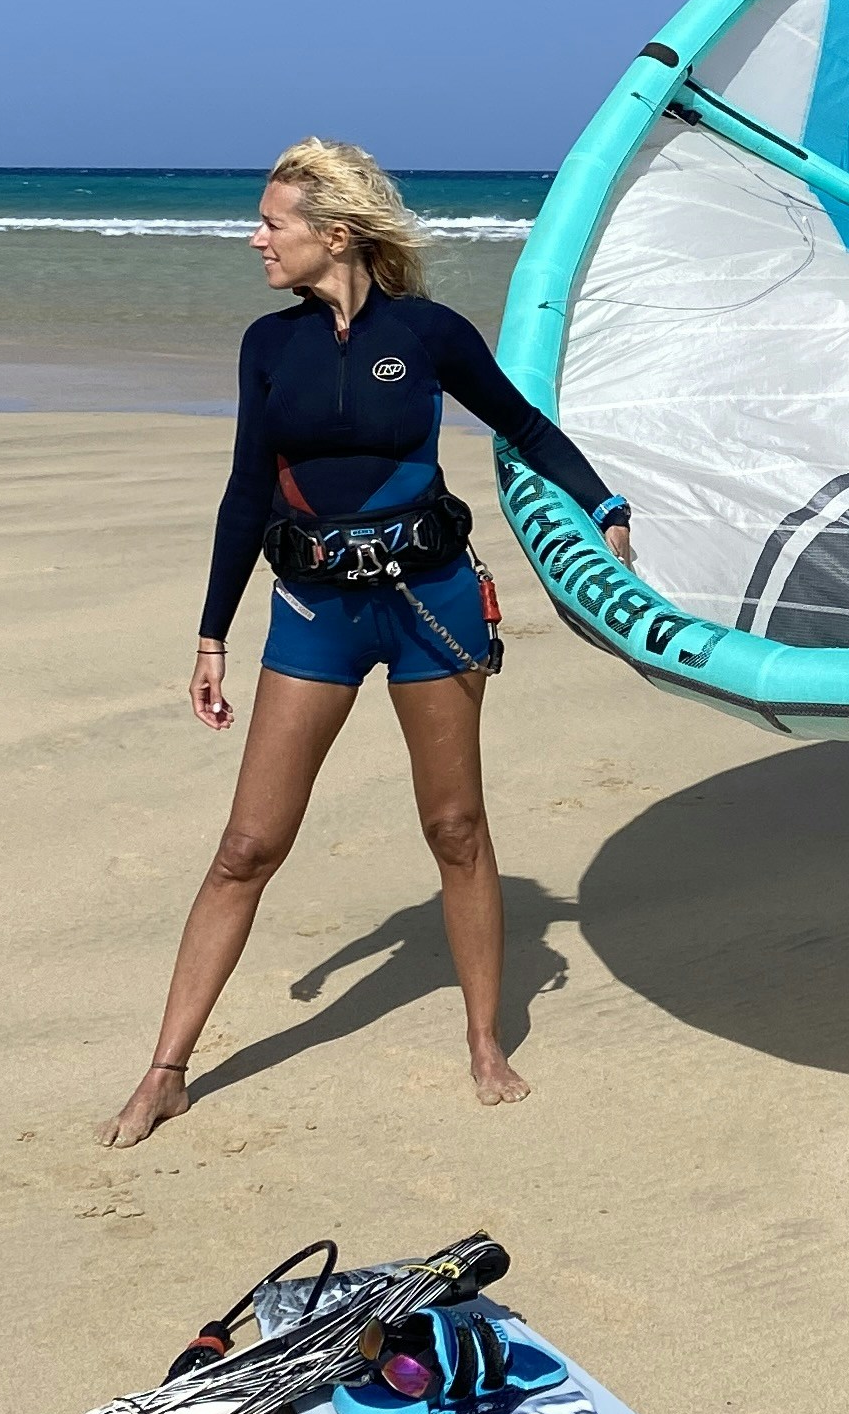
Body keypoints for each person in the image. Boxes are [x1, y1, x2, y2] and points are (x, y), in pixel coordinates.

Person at [97, 139, 630, 1147]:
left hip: (429, 599)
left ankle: (484, 1042)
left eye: (274, 224)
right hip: (314, 610)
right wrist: (212, 632)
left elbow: (521, 424)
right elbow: (247, 487)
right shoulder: (268, 345)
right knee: (249, 844)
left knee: (456, 827)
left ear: (333, 235)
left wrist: (603, 504)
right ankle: (165, 1070)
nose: (257, 239)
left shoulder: (428, 335)